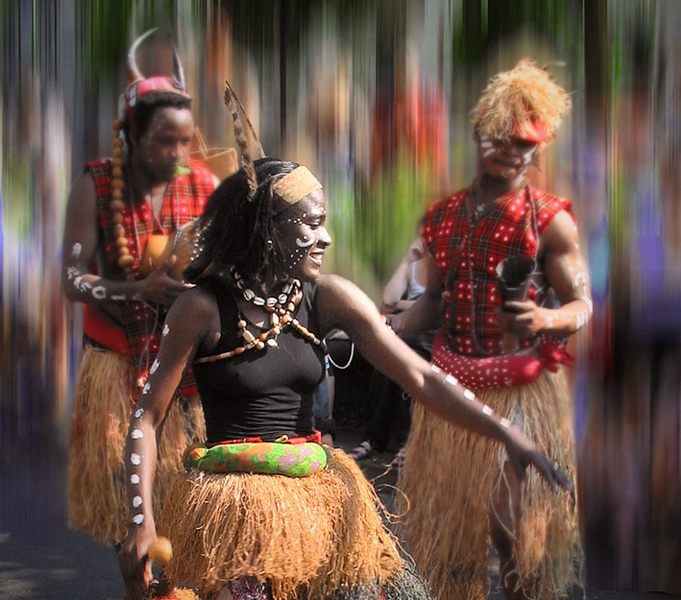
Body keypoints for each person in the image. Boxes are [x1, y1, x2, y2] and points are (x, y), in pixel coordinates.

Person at [116, 93, 570, 599]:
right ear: (267, 230)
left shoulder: (329, 298)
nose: (325, 237)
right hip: (233, 511)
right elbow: (147, 418)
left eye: (324, 220)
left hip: (314, 501)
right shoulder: (201, 308)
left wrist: (509, 434)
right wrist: (142, 520)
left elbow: (422, 379)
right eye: (310, 223)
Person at [393, 59, 589, 600]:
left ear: (538, 149)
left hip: (521, 390)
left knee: (511, 534)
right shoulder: (443, 217)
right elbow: (432, 302)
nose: (511, 151)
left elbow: (581, 305)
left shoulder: (551, 221)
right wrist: (388, 326)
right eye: (501, 138)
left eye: (524, 143)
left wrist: (547, 318)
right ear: (479, 136)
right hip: (452, 385)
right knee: (453, 543)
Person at [63, 29, 218, 546]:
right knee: (130, 527)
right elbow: (72, 279)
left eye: (184, 141)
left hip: (184, 374)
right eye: (163, 141)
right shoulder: (95, 185)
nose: (176, 153)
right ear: (131, 133)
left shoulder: (203, 186)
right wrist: (138, 290)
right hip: (114, 371)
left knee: (190, 519)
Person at [349, 235, 434, 464]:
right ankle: (372, 439)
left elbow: (438, 304)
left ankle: (410, 443)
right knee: (384, 363)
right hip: (405, 336)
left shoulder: (448, 265)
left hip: (433, 342)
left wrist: (403, 306)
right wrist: (407, 260)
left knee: (414, 365)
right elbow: (388, 301)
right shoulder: (414, 265)